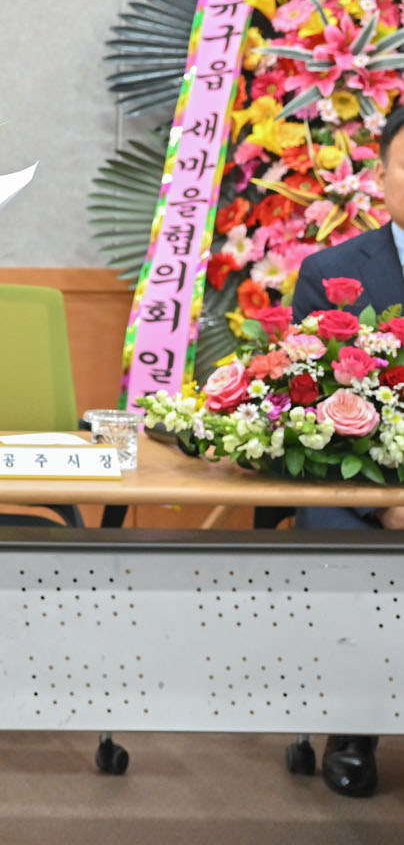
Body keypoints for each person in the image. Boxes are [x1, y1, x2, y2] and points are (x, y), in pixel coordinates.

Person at [285, 108, 404, 798]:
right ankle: (353, 726)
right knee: (341, 542)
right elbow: (310, 412)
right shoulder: (330, 274)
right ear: (381, 176)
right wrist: (383, 506)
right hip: (361, 487)